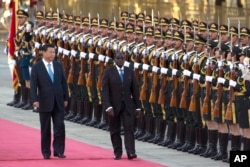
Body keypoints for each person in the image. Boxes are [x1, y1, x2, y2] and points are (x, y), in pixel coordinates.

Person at [30, 43, 69, 159]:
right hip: (44, 102)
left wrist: (66, 98)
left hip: (58, 101)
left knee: (59, 128)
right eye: (51, 52)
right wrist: (35, 100)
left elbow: (64, 83)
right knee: (45, 129)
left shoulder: (58, 66)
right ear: (43, 52)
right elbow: (33, 86)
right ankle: (46, 152)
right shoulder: (37, 67)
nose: (53, 54)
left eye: (54, 52)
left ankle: (59, 151)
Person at [102, 51, 141, 160]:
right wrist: (108, 106)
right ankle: (117, 152)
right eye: (118, 58)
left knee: (129, 129)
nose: (120, 60)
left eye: (122, 58)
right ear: (114, 60)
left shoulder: (129, 72)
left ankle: (131, 152)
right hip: (114, 106)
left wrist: (138, 106)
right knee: (115, 130)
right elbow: (105, 91)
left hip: (127, 106)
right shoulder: (108, 72)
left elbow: (135, 90)